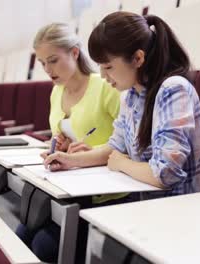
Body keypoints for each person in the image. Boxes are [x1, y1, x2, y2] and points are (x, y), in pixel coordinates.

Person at [44, 11, 200, 199]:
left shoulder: (173, 89)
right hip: (153, 207)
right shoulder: (130, 95)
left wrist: (122, 164)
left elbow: (165, 174)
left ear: (138, 58)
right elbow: (115, 148)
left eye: (108, 67)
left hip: (189, 208)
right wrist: (69, 161)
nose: (103, 76)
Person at [16, 22, 128, 263]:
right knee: (20, 235)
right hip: (69, 188)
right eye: (43, 63)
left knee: (42, 246)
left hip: (105, 191)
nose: (47, 69)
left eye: (53, 60)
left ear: (75, 53)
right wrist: (59, 145)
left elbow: (129, 143)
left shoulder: (106, 86)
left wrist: (82, 156)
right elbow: (59, 138)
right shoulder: (56, 92)